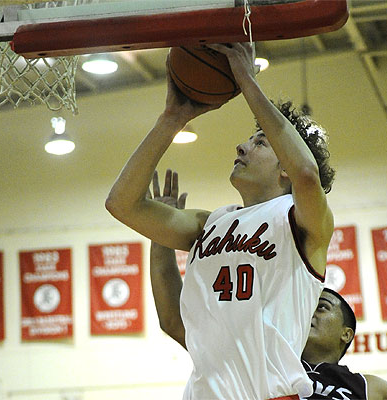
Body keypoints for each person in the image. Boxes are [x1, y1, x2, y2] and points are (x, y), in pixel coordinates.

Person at [147, 170, 387, 400]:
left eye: (325, 306)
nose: (313, 309)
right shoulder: (259, 355)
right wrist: (160, 236)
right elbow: (174, 319)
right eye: (311, 304)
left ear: (347, 334)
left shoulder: (365, 388)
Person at [106, 42, 335, 400]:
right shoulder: (209, 223)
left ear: (285, 170)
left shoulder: (303, 222)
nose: (241, 148)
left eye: (260, 143)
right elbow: (121, 204)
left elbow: (307, 172)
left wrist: (246, 81)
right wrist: (171, 119)